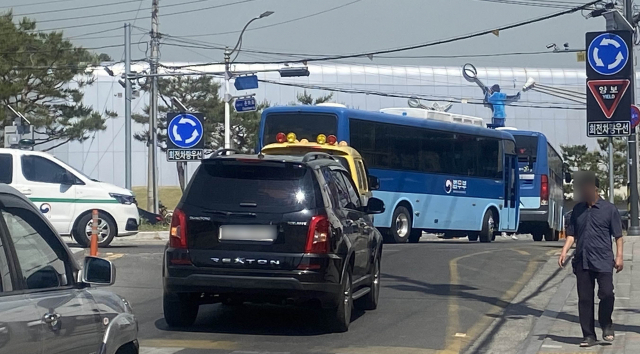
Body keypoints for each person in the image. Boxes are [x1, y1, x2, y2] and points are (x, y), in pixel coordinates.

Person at [558, 172, 624, 347]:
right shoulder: (578, 210)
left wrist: (619, 257)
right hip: (583, 260)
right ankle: (588, 336)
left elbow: (618, 236)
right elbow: (571, 234)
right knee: (585, 299)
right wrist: (564, 251)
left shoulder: (609, 210)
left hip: (603, 259)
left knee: (607, 293)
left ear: (594, 188)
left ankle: (606, 323)